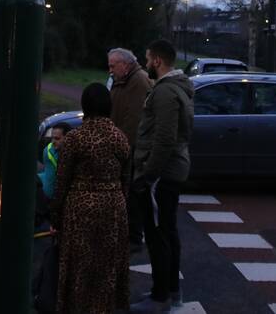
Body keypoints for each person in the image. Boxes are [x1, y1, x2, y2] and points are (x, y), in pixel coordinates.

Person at [52, 83, 130, 314]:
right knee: (106, 267)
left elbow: (62, 180)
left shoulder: (75, 138)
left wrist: (55, 216)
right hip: (113, 207)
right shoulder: (120, 138)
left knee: (80, 266)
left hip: (80, 207)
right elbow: (126, 178)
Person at [130, 40, 194, 313]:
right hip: (169, 171)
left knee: (158, 236)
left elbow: (165, 138)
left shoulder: (166, 93)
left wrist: (148, 175)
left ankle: (160, 297)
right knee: (167, 231)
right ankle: (170, 290)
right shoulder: (174, 89)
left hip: (160, 174)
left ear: (157, 60)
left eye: (147, 58)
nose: (145, 63)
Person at [107, 47, 151, 249]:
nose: (110, 70)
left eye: (112, 65)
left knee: (133, 192)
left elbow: (133, 119)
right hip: (122, 143)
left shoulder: (138, 81)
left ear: (125, 64)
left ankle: (134, 237)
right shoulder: (122, 79)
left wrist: (120, 146)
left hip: (130, 147)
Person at [37, 122, 71, 200]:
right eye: (52, 138)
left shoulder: (73, 153)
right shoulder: (47, 150)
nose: (53, 141)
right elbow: (49, 175)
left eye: (57, 138)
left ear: (68, 138)